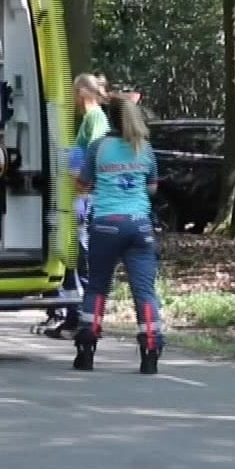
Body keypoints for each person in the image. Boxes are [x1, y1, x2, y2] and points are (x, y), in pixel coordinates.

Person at [71, 93, 165, 375]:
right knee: (144, 291)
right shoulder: (144, 147)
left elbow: (84, 184)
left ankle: (87, 348)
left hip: (105, 225)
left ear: (108, 117)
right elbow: (152, 189)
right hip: (139, 226)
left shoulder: (98, 147)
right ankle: (150, 349)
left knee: (97, 286)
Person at [42, 72, 111, 339]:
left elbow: (95, 154)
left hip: (84, 199)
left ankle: (84, 320)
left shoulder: (95, 119)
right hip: (79, 197)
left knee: (80, 259)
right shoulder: (88, 120)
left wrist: (81, 179)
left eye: (73, 92)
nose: (71, 98)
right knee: (73, 258)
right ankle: (75, 317)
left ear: (83, 93)